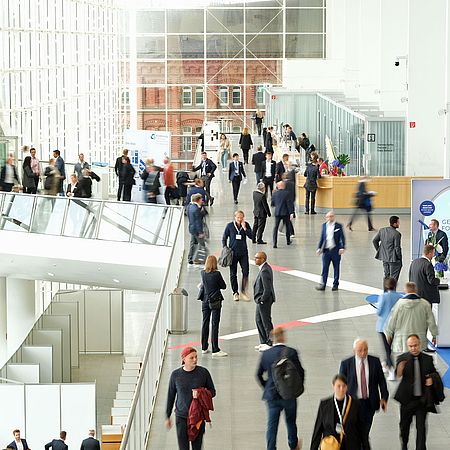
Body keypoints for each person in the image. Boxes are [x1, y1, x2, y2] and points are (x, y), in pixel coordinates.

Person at [256, 327, 304, 450]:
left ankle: (271, 447)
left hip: (272, 395)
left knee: (272, 426)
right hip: (289, 395)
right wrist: (295, 388)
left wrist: (266, 386)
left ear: (272, 339)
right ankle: (293, 445)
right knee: (291, 422)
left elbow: (258, 374)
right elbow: (301, 372)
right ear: (283, 337)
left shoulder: (266, 354)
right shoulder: (292, 352)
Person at [339, 339, 389, 448]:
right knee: (357, 433)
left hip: (369, 404)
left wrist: (384, 398)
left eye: (365, 350)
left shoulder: (375, 362)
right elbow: (341, 385)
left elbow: (381, 381)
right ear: (354, 350)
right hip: (352, 404)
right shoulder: (346, 364)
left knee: (364, 431)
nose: (363, 353)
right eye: (360, 350)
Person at [165, 347, 216, 450]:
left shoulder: (203, 373)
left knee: (197, 447)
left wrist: (201, 393)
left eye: (196, 357)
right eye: (191, 358)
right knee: (183, 447)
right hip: (181, 416)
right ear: (184, 359)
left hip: (198, 417)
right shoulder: (175, 375)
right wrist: (167, 416)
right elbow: (171, 395)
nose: (195, 360)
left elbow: (212, 392)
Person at [394, 334, 438, 450]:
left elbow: (435, 373)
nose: (413, 348)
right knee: (404, 428)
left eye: (415, 345)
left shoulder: (428, 359)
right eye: (411, 346)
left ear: (420, 345)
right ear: (408, 346)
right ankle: (404, 445)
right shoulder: (402, 358)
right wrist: (400, 369)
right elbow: (397, 375)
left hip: (421, 401)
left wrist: (431, 379)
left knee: (421, 428)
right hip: (406, 401)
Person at [310, 374, 369, 450]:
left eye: (344, 386)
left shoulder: (355, 404)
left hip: (350, 445)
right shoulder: (324, 405)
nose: (341, 389)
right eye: (338, 386)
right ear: (333, 386)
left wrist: (366, 447)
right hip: (331, 445)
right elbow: (317, 430)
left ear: (347, 387)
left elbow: (362, 431)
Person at [385, 282, 438, 353]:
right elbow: (431, 322)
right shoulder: (424, 304)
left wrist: (389, 335)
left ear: (405, 290)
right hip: (419, 341)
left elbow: (392, 321)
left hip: (402, 341)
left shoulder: (399, 304)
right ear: (416, 290)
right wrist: (434, 336)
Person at [198, 255, 227, 357]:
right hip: (215, 301)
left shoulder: (202, 273)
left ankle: (204, 347)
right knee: (215, 325)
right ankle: (215, 349)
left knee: (205, 323)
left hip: (205, 301)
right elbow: (224, 286)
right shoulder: (217, 274)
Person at [374, 277, 403, 380]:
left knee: (387, 349)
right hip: (395, 326)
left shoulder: (383, 296)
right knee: (389, 347)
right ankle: (386, 364)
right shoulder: (399, 297)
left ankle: (391, 370)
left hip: (383, 327)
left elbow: (379, 311)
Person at [222, 210, 253, 301]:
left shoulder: (246, 225)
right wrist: (225, 248)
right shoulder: (230, 226)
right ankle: (235, 292)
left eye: (241, 217)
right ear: (235, 217)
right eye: (238, 217)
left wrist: (245, 229)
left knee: (246, 271)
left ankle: (244, 291)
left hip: (243, 252)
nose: (240, 219)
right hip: (233, 253)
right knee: (233, 273)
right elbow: (224, 237)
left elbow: (251, 236)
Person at [316, 210, 346, 291]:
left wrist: (342, 247)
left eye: (331, 216)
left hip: (335, 251)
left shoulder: (338, 226)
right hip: (326, 251)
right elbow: (322, 238)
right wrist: (319, 248)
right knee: (324, 268)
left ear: (334, 217)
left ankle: (335, 284)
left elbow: (342, 238)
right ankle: (323, 284)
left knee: (336, 268)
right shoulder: (324, 226)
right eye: (328, 217)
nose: (329, 218)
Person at [254, 252, 276, 351]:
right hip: (260, 300)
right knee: (258, 320)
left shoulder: (265, 271)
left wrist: (262, 299)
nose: (255, 259)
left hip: (264, 301)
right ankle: (263, 341)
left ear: (263, 259)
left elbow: (267, 289)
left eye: (257, 258)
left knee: (266, 321)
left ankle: (270, 342)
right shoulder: (264, 268)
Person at [372, 215, 403, 286]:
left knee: (387, 276)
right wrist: (399, 258)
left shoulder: (382, 230)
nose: (399, 224)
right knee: (393, 279)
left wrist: (379, 251)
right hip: (394, 260)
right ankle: (392, 294)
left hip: (385, 258)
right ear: (394, 223)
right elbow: (397, 248)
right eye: (398, 222)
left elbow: (374, 241)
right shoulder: (397, 234)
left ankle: (386, 293)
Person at [271, 181, 294, 248]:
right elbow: (289, 203)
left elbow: (272, 203)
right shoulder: (287, 193)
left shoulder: (274, 193)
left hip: (277, 212)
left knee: (275, 227)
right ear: (283, 186)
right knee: (287, 226)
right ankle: (288, 241)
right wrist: (291, 212)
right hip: (285, 213)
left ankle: (274, 243)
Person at [187, 193, 205, 265]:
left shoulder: (190, 206)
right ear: (198, 200)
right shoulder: (196, 209)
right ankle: (200, 259)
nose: (202, 200)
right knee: (202, 244)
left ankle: (190, 258)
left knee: (193, 243)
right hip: (196, 230)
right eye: (201, 199)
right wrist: (200, 232)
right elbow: (198, 221)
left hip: (192, 228)